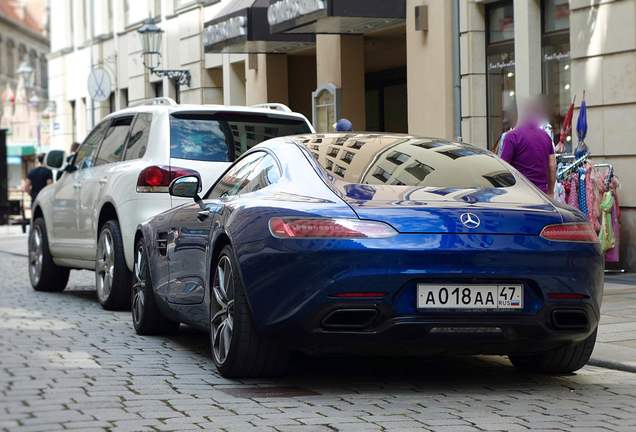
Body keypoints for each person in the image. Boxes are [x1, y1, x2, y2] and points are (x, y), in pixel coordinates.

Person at [500, 97, 556, 196]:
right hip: (542, 194)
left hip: (521, 193)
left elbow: (503, 168)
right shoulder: (546, 136)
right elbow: (552, 165)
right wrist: (551, 192)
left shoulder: (512, 137)